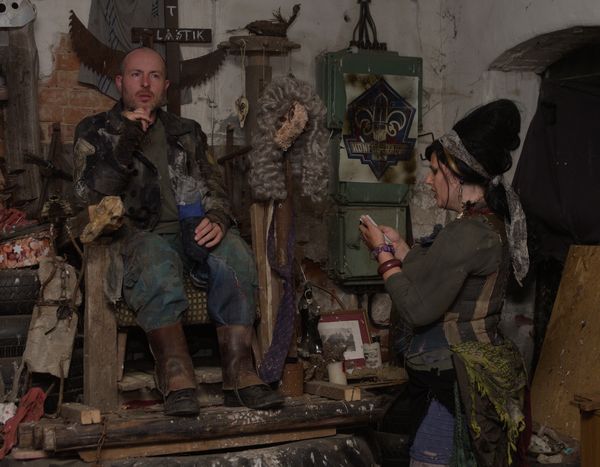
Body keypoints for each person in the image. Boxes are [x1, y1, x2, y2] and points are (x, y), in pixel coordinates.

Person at [72, 47, 283, 416]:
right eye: (136, 75)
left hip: (190, 234)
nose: (145, 84)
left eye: (154, 76)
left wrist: (217, 217)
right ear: (120, 82)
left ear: (165, 87)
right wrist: (126, 140)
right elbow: (88, 196)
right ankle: (175, 374)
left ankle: (239, 371)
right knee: (155, 259)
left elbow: (215, 185)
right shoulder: (95, 130)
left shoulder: (187, 131)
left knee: (235, 253)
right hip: (134, 238)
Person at [360, 99, 530, 466]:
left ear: (457, 174)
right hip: (458, 373)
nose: (428, 179)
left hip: (454, 380)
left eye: (435, 170)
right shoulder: (482, 224)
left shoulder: (467, 233)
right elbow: (439, 271)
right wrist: (402, 250)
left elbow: (417, 310)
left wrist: (383, 256)